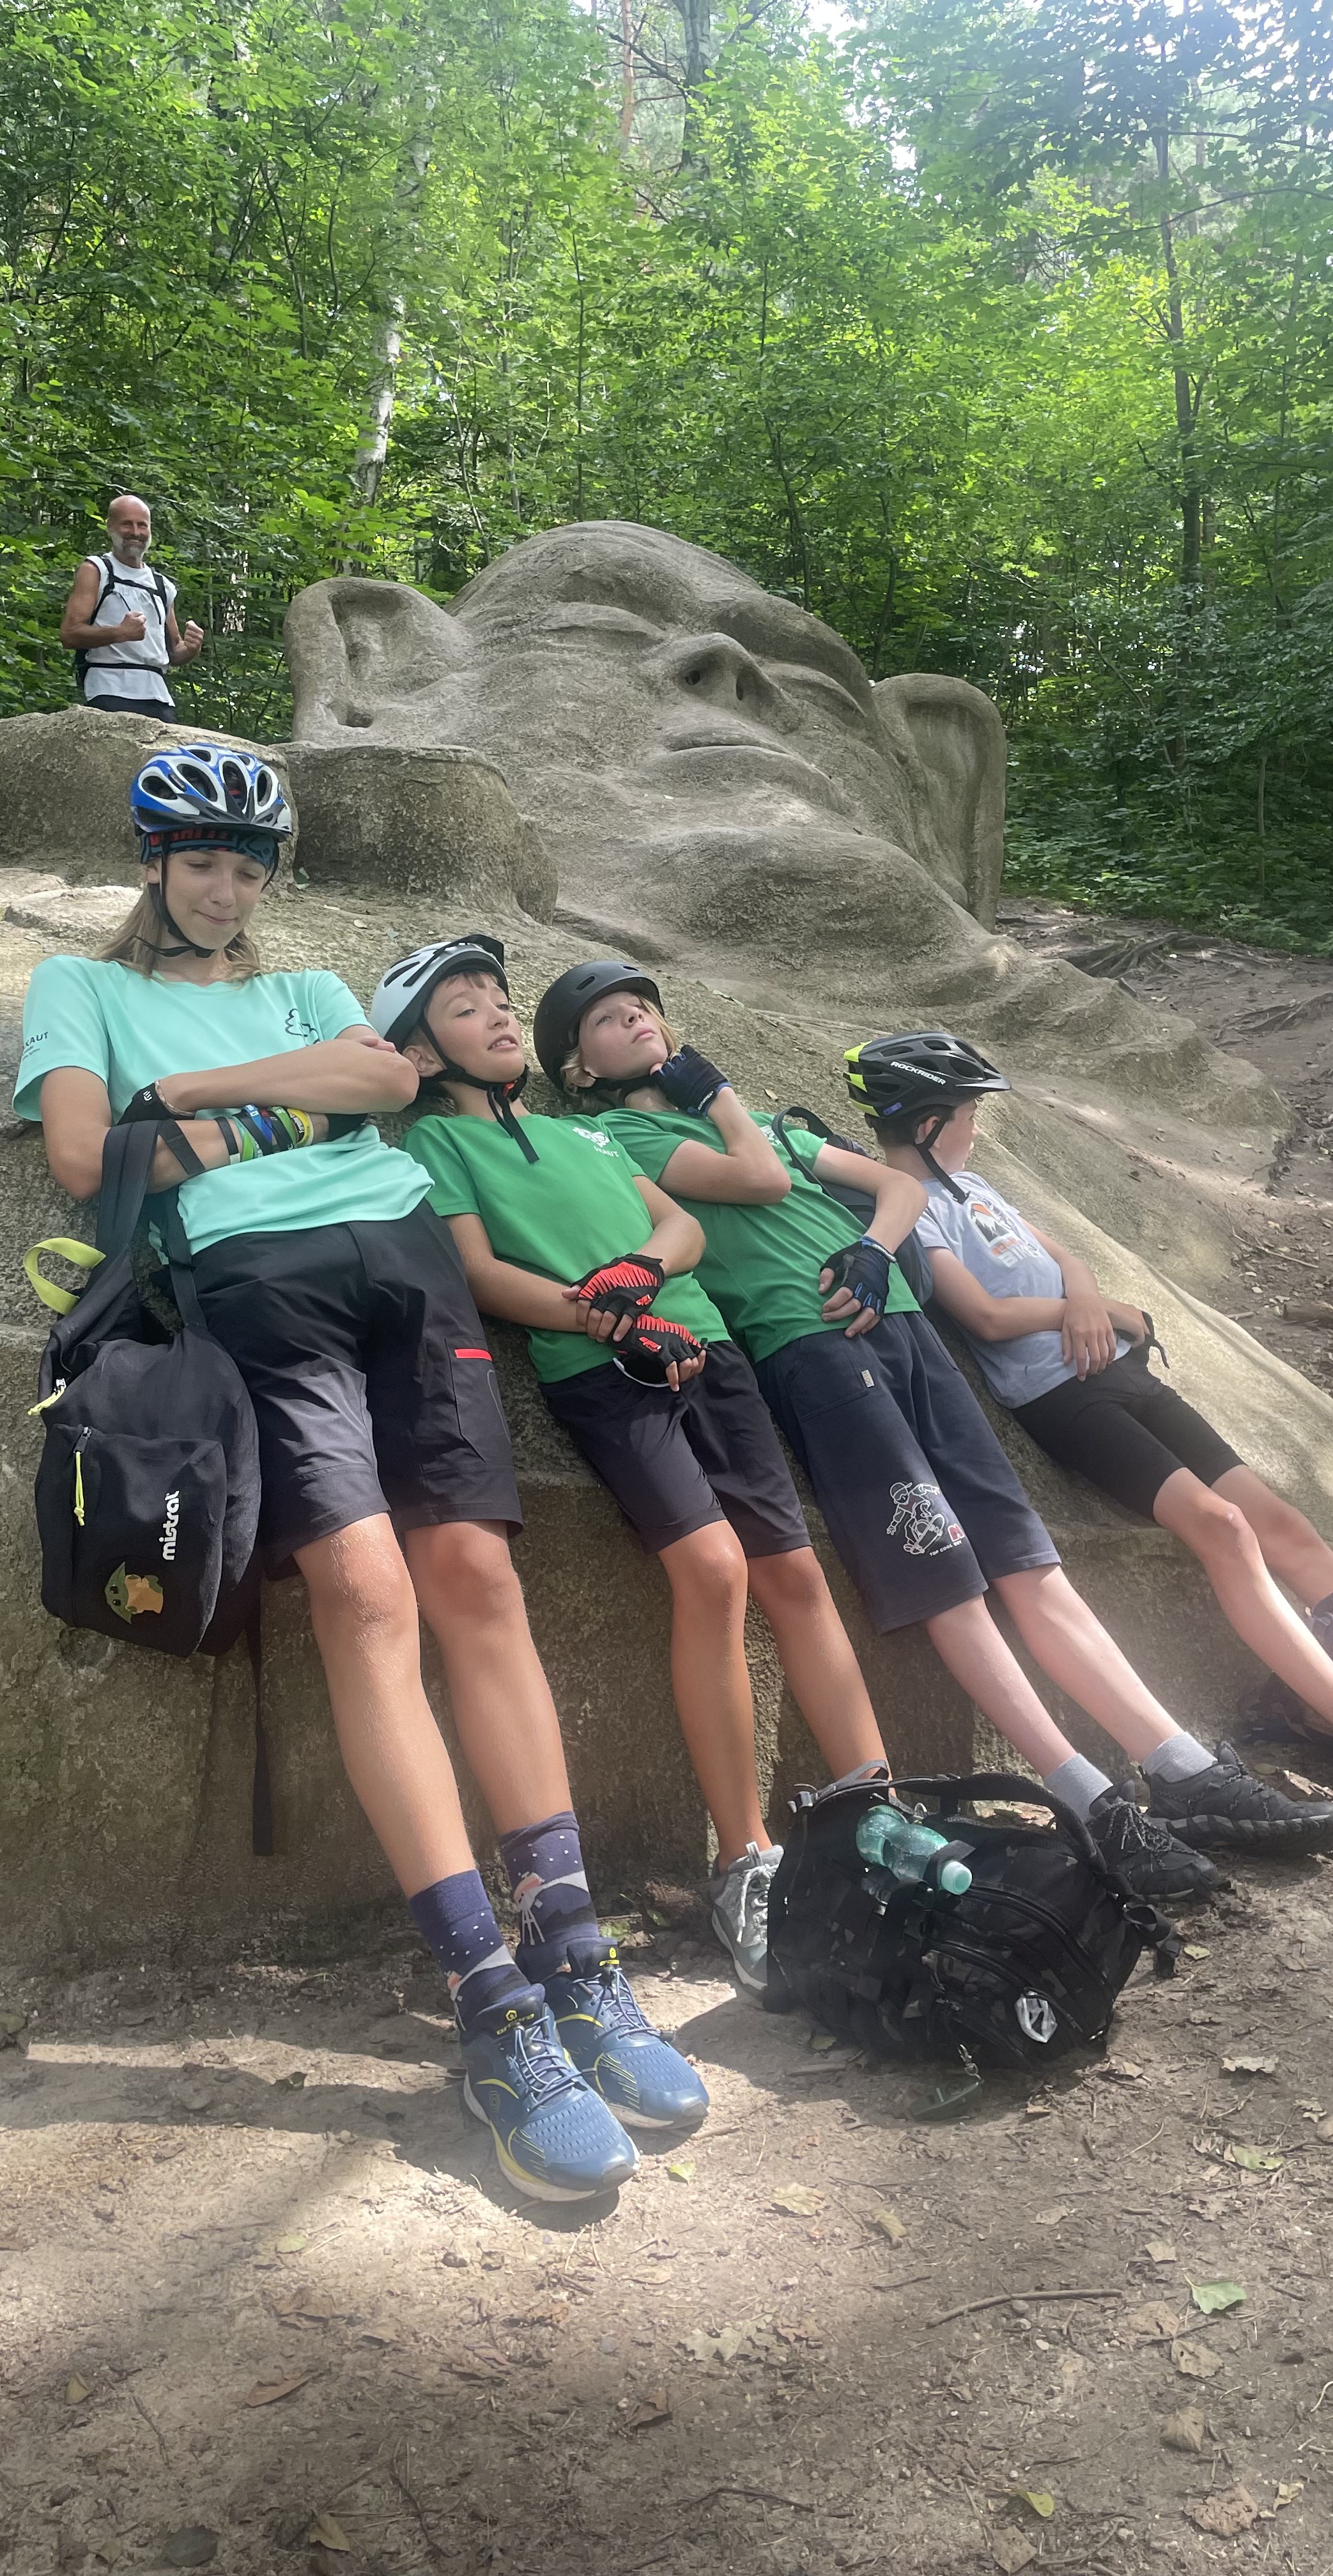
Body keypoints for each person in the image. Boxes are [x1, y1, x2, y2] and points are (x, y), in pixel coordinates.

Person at [14, 749, 707, 2204]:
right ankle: (489, 2000)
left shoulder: (307, 982)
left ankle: (576, 1956)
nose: (228, 889)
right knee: (366, 1593)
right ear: (153, 863)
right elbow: (86, 1155)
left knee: (477, 1581)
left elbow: (382, 1081)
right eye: (203, 861)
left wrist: (189, 1099)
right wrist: (290, 1107)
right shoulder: (80, 989)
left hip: (402, 1258)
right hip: (253, 1283)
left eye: (249, 865)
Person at [533, 965, 1333, 1902]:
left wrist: (874, 1249)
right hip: (809, 1346)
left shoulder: (769, 1121)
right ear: (579, 1070)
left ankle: (1179, 1765)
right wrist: (714, 1095)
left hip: (905, 1324)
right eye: (607, 1018)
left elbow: (898, 1187)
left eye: (643, 1006)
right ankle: (1086, 1798)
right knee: (946, 1576)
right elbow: (759, 1180)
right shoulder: (631, 1136)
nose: (636, 1018)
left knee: (1025, 1557)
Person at [371, 940, 893, 1994]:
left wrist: (642, 1274)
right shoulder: (436, 1141)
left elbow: (680, 1223)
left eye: (501, 1000)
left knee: (794, 1573)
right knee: (714, 1570)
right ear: (421, 1055)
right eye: (466, 1008)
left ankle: (879, 1818)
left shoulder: (588, 1132)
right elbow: (478, 1272)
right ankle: (744, 1858)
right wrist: (603, 1318)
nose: (499, 1016)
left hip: (709, 1347)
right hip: (602, 1372)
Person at [852, 1031, 1333, 1835]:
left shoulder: (975, 1184)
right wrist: (1078, 1313)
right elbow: (984, 1316)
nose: (977, 1128)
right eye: (967, 1115)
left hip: (1123, 1372)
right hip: (1063, 1398)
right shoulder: (911, 1204)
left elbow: (1064, 1257)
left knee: (1281, 1523)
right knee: (1224, 1527)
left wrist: (1090, 1298)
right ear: (928, 1125)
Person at [59, 495, 204, 717]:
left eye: (142, 525)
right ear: (110, 527)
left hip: (158, 695)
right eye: (127, 524)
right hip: (108, 688)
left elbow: (175, 652)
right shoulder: (97, 570)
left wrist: (192, 649)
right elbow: (69, 635)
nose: (135, 532)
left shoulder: (162, 585)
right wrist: (120, 633)